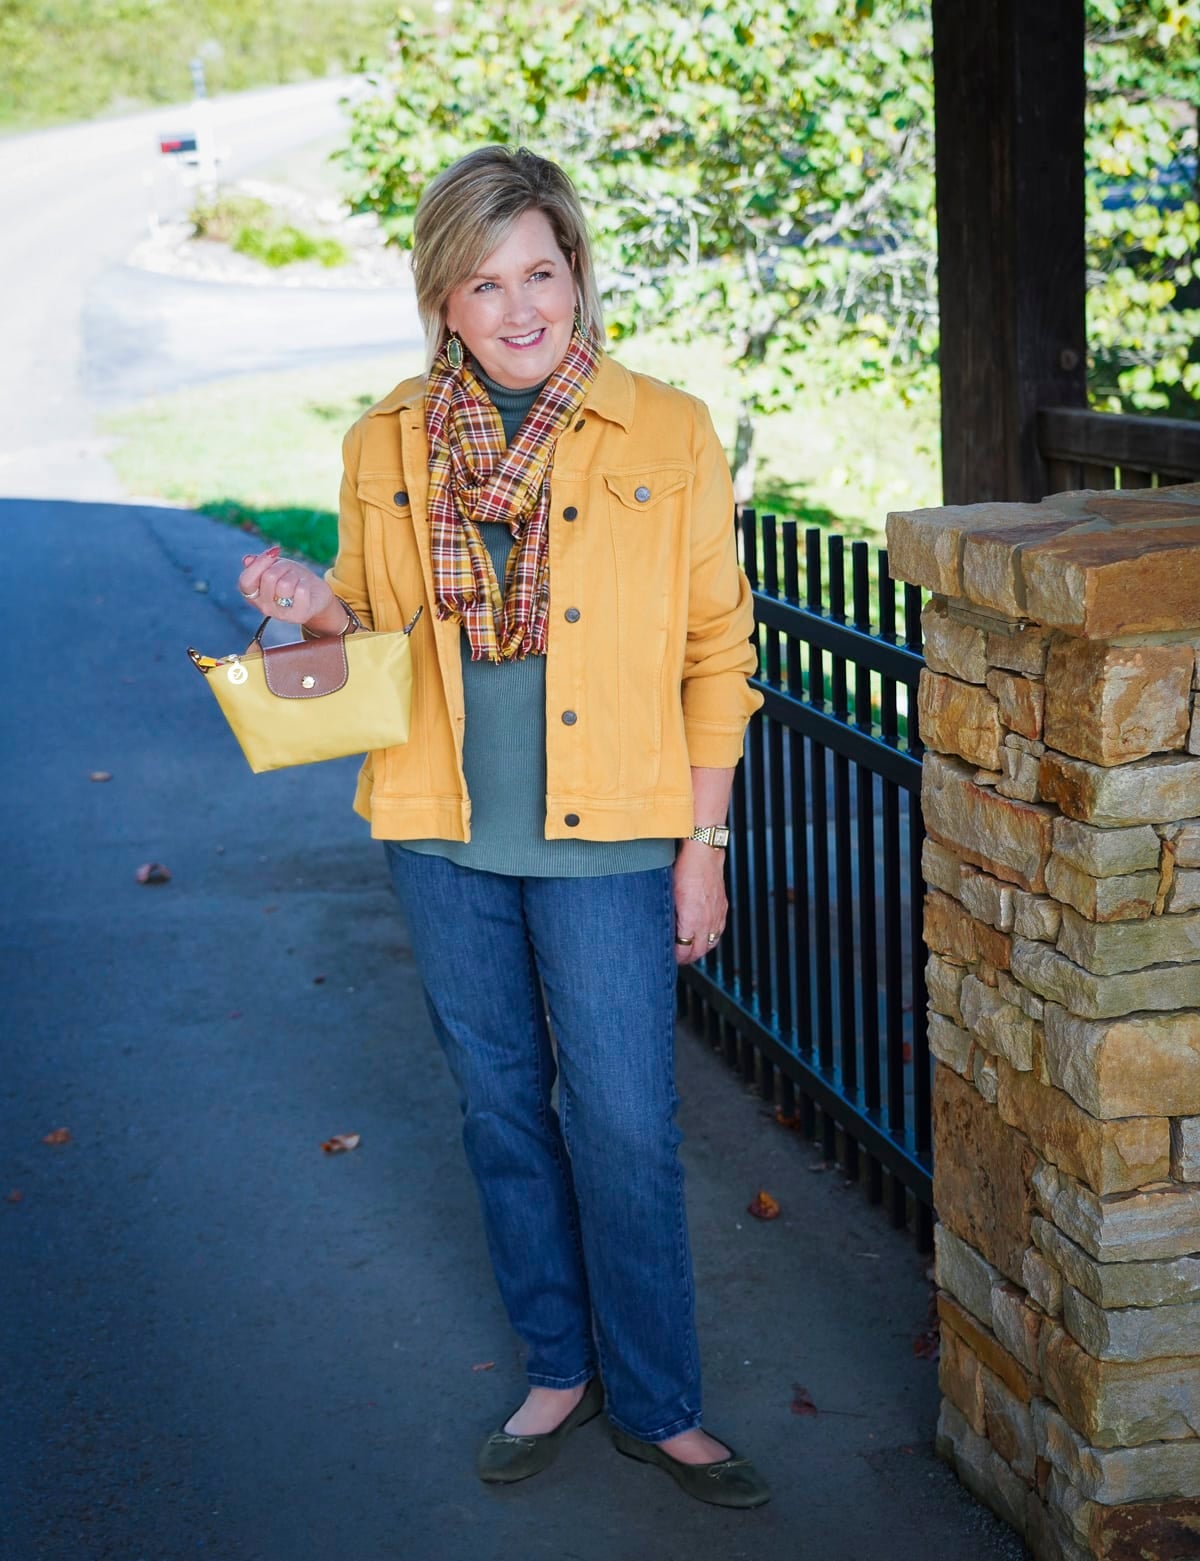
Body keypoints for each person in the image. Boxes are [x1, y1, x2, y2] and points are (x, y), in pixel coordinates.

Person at [235, 146, 767, 1509]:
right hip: (441, 829)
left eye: (540, 272)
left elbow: (717, 653)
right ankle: (557, 1364)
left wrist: (704, 847)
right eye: (484, 283)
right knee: (501, 1111)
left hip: (613, 837)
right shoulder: (385, 442)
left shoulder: (667, 430)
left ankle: (658, 1399)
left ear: (576, 274)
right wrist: (309, 613)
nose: (519, 307)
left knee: (628, 1126)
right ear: (443, 299)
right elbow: (362, 648)